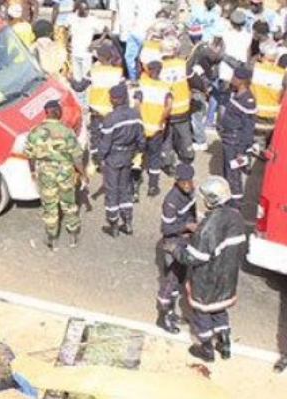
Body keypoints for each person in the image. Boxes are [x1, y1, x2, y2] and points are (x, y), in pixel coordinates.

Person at [168, 175, 246, 362]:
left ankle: (206, 349)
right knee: (219, 310)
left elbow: (194, 257)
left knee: (202, 313)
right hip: (228, 276)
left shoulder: (208, 227)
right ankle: (225, 343)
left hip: (207, 279)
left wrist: (175, 249)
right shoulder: (235, 216)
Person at [24, 100, 87, 250]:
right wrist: (83, 174)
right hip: (65, 172)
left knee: (49, 205)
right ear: (57, 112)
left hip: (45, 173)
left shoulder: (35, 131)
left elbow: (30, 155)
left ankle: (52, 239)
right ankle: (73, 236)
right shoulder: (66, 131)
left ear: (46, 113)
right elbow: (77, 157)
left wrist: (33, 171)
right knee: (69, 204)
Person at [156, 163, 197, 334]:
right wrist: (187, 226)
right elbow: (166, 228)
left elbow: (192, 212)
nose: (188, 185)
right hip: (173, 245)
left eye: (189, 181)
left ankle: (171, 312)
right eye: (184, 182)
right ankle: (163, 317)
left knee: (179, 279)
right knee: (170, 281)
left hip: (185, 243)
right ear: (177, 181)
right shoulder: (171, 201)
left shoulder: (189, 192)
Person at [99, 84, 144, 237]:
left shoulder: (110, 119)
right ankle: (128, 222)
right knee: (125, 189)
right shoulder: (136, 115)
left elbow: (105, 144)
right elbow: (141, 139)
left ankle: (114, 225)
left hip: (113, 157)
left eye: (112, 98)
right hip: (128, 156)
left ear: (117, 99)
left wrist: (101, 158)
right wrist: (136, 152)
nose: (110, 100)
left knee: (112, 191)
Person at [69, 44, 125, 167]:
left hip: (96, 112)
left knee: (96, 138)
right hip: (112, 112)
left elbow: (79, 87)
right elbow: (123, 93)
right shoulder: (118, 73)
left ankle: (96, 161)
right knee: (111, 136)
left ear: (99, 58)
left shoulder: (93, 72)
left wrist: (70, 79)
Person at [219, 65, 256, 210]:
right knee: (227, 171)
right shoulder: (235, 93)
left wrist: (242, 150)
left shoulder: (248, 100)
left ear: (242, 81)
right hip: (228, 139)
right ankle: (227, 199)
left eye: (235, 77)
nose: (232, 79)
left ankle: (236, 204)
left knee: (233, 174)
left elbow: (248, 129)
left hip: (235, 143)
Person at [135, 61, 172, 197]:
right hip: (157, 129)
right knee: (154, 157)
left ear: (149, 71)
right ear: (161, 71)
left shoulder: (142, 85)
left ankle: (135, 186)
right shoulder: (165, 87)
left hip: (143, 127)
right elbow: (168, 106)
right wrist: (161, 120)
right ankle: (153, 186)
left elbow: (137, 104)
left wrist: (139, 120)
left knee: (138, 155)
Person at [160, 37, 196, 172]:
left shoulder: (158, 67)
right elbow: (195, 81)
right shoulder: (183, 64)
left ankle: (167, 162)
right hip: (182, 110)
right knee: (185, 135)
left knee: (166, 138)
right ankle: (188, 156)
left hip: (166, 111)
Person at [187, 32, 224, 152]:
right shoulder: (213, 61)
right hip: (203, 88)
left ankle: (200, 140)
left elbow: (197, 80)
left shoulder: (200, 58)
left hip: (197, 90)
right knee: (199, 113)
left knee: (196, 116)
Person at [251, 40, 286, 146]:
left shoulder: (255, 68)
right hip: (272, 117)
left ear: (261, 55)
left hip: (254, 113)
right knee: (262, 144)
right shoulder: (282, 74)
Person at [125, 0, 163, 82]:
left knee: (133, 58)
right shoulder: (156, 3)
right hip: (139, 33)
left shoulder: (154, 3)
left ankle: (135, 79)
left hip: (140, 32)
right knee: (137, 58)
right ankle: (138, 79)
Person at [68, 1, 102, 82]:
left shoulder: (92, 19)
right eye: (84, 9)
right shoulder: (71, 18)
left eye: (87, 9)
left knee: (86, 80)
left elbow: (106, 30)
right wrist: (67, 42)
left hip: (86, 54)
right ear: (78, 10)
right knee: (77, 80)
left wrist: (97, 41)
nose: (87, 11)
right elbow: (67, 31)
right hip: (74, 53)